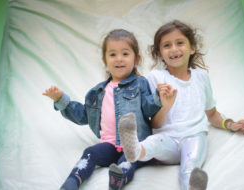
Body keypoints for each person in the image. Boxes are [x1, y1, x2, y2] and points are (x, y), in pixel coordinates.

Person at [118, 20, 244, 190]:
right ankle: (135, 150)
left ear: (192, 48)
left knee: (191, 164)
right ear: (159, 53)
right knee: (153, 143)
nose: (174, 49)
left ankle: (192, 186)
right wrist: (165, 105)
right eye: (167, 45)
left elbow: (212, 115)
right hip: (167, 140)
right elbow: (155, 123)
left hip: (194, 137)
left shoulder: (201, 77)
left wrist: (230, 124)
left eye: (180, 43)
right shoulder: (156, 77)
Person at [42, 29, 163, 190]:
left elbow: (149, 109)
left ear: (136, 59)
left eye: (125, 54)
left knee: (128, 160)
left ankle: (118, 178)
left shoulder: (140, 84)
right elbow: (83, 115)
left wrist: (159, 96)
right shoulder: (97, 92)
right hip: (110, 146)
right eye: (112, 54)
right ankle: (72, 182)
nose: (119, 59)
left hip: (135, 146)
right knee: (90, 152)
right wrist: (61, 100)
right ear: (104, 60)